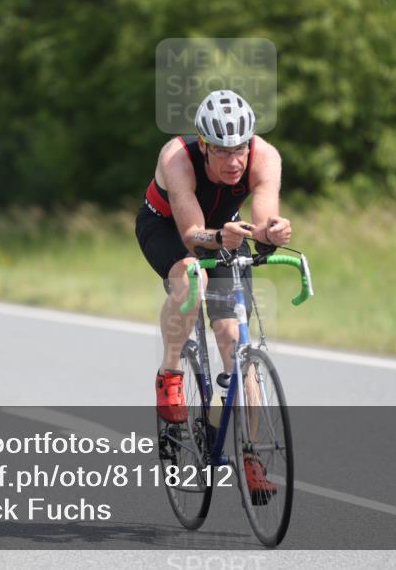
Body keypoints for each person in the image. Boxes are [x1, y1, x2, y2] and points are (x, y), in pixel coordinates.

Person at [135, 89, 292, 501]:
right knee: (191, 277)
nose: (234, 160)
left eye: (240, 148)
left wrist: (270, 233)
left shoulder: (266, 158)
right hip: (168, 228)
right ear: (203, 145)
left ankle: (250, 454)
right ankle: (169, 375)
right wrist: (217, 237)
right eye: (222, 151)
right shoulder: (177, 157)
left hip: (227, 233)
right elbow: (191, 235)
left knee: (236, 346)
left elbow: (262, 220)